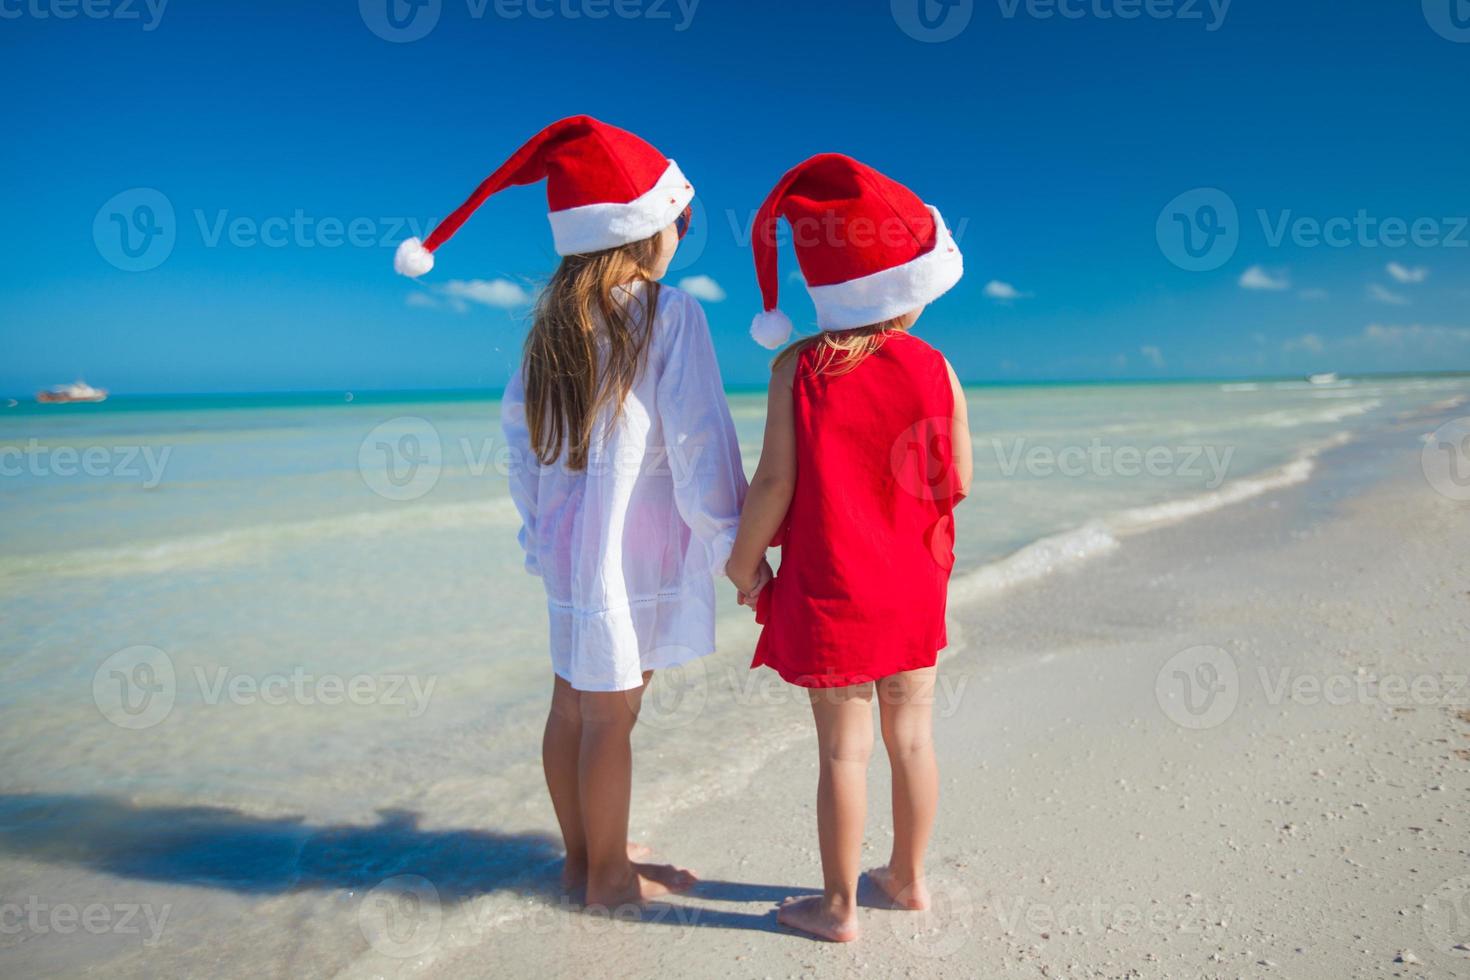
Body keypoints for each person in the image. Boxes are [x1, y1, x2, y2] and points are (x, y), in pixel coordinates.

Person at [396, 116, 747, 909]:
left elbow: (520, 449)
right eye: (676, 221)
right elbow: (700, 444)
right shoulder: (669, 314)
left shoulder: (548, 330)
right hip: (636, 555)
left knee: (572, 706)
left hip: (570, 552)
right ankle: (610, 879)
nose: (680, 236)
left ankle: (584, 856)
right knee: (612, 718)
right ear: (642, 231)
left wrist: (538, 537)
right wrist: (736, 541)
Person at [726, 153, 972, 942]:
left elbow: (772, 485)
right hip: (912, 583)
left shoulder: (798, 368)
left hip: (832, 587)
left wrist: (743, 561)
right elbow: (958, 475)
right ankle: (907, 878)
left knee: (843, 752)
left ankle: (837, 908)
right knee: (912, 735)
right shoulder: (937, 366)